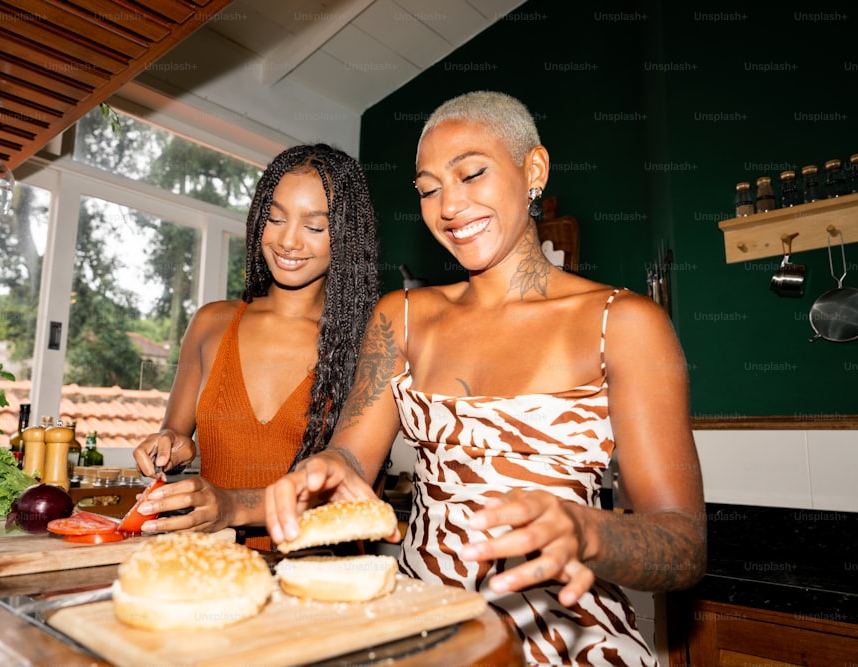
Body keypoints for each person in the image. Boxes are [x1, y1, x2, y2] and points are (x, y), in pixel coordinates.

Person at [266, 91, 706, 665]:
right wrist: (327, 465)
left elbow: (683, 543)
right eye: (427, 189)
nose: (449, 206)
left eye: (471, 173)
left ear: (534, 170)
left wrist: (588, 531)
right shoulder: (399, 317)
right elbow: (352, 456)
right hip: (423, 630)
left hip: (567, 638)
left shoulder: (623, 324)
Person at [132, 143, 379, 550]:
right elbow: (177, 432)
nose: (288, 241)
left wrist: (233, 505)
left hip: (318, 577)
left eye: (314, 227)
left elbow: (354, 489)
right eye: (275, 218)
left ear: (346, 238)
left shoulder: (366, 341)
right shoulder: (211, 323)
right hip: (214, 563)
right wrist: (170, 444)